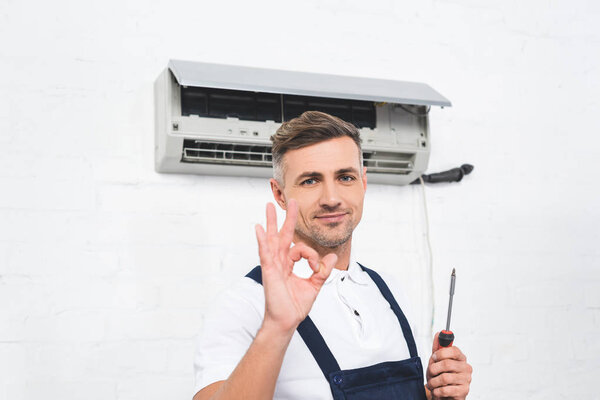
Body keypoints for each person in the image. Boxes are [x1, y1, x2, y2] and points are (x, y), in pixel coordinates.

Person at [193, 111, 472, 400]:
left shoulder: (388, 290)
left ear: (363, 182)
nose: (331, 198)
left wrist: (439, 394)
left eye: (345, 177)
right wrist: (276, 328)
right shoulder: (244, 304)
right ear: (279, 194)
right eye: (310, 181)